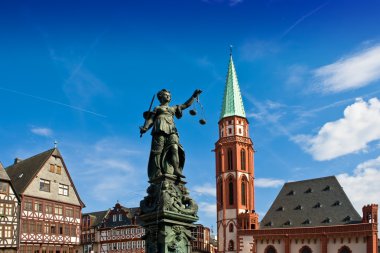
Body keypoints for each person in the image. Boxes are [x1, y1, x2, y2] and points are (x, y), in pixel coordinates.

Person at [140, 89, 202, 180]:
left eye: (169, 95)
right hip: (159, 129)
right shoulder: (157, 108)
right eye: (166, 95)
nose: (169, 96)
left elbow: (186, 105)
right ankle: (157, 171)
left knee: (174, 147)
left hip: (172, 129)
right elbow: (151, 120)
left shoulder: (173, 108)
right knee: (158, 151)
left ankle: (176, 169)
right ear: (161, 97)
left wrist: (194, 96)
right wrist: (145, 128)